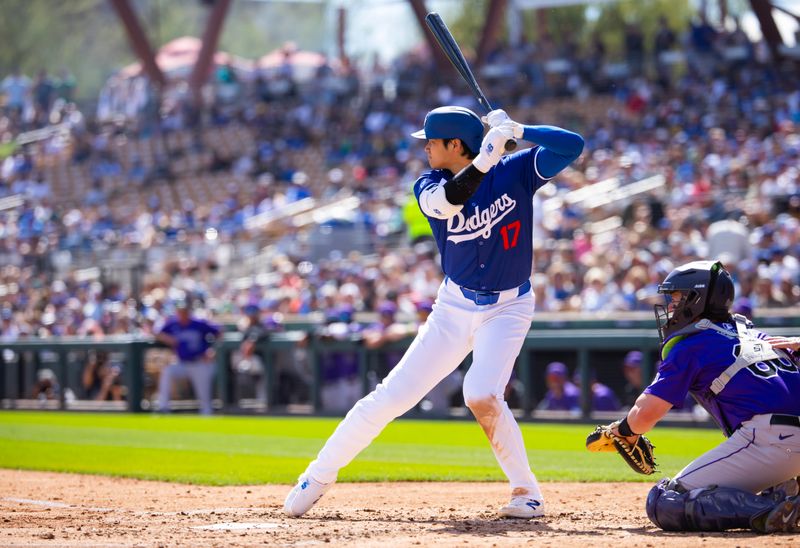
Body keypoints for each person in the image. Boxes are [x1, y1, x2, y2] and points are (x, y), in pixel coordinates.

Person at [284, 105, 583, 519]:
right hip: (454, 307)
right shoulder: (429, 182)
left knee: (480, 393)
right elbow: (446, 204)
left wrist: (519, 128)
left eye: (431, 142)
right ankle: (315, 477)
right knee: (388, 397)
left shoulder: (515, 170)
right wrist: (485, 156)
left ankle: (526, 492)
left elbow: (573, 146)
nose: (425, 148)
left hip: (509, 306)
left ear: (454, 144)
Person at [603, 260, 800, 533]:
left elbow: (646, 415)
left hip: (770, 441)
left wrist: (624, 430)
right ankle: (781, 492)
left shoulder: (691, 344)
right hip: (782, 445)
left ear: (697, 299)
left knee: (665, 501)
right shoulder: (759, 335)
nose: (670, 306)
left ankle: (769, 511)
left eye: (676, 297)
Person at [156, 300, 221, 415]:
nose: (182, 313)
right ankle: (163, 407)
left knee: (204, 392)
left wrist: (213, 350)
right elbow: (156, 332)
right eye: (180, 311)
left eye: (184, 311)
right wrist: (167, 338)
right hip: (182, 363)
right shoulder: (173, 324)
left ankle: (207, 412)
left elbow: (219, 331)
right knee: (167, 372)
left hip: (200, 362)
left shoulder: (198, 323)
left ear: (188, 311)